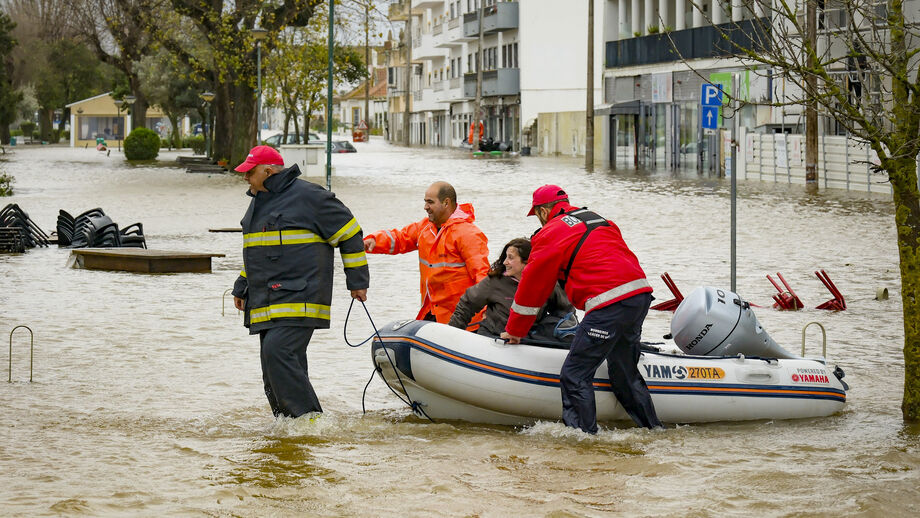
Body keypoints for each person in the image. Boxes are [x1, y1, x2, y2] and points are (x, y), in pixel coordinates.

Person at [501, 185, 662, 433]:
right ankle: (653, 429)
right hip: (639, 296)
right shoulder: (598, 219)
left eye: (537, 215)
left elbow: (533, 286)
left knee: (575, 373)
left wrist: (515, 330)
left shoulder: (550, 232)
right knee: (624, 371)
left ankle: (584, 439)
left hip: (609, 304)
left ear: (542, 211)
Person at [231, 145, 369, 418]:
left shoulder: (310, 197)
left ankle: (309, 421)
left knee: (277, 353)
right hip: (267, 300)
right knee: (272, 365)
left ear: (267, 171)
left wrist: (357, 281)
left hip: (301, 297)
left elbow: (350, 233)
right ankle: (287, 427)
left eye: (249, 172)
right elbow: (257, 252)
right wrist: (242, 285)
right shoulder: (258, 202)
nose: (245, 178)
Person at [364, 181, 489, 324]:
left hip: (462, 318)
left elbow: (482, 275)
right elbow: (400, 238)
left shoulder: (468, 233)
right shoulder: (425, 228)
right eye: (425, 202)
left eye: (430, 202)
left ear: (446, 203)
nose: (425, 207)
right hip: (432, 312)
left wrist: (487, 310)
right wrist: (374, 241)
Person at [449, 238, 574, 340]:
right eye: (505, 257)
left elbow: (566, 310)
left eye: (510, 258)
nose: (505, 262)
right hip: (493, 337)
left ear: (527, 261)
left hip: (527, 339)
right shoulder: (494, 281)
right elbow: (466, 305)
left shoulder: (546, 282)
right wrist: (451, 335)